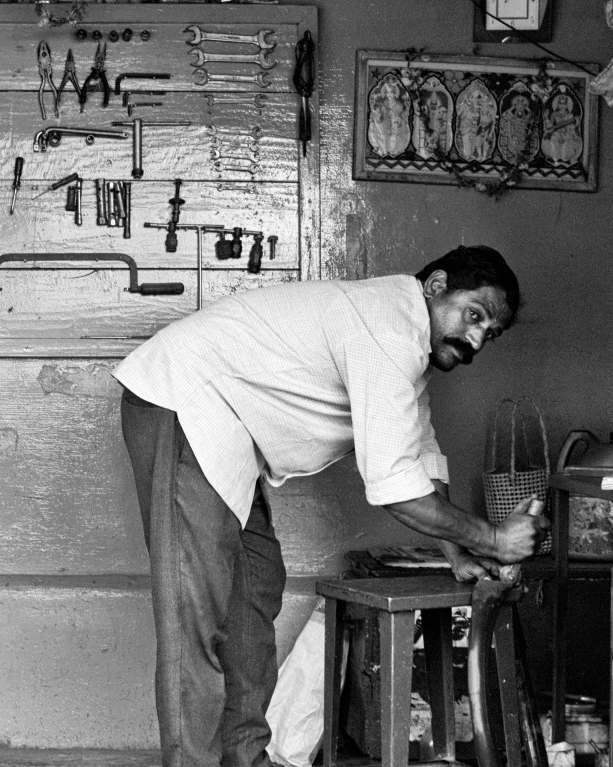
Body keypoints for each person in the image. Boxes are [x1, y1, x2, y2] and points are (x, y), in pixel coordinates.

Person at [113, 245, 550, 767]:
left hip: (226, 430)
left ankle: (245, 758)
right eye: (473, 315)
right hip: (182, 401)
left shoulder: (405, 341)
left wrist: (457, 551)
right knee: (197, 616)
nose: (476, 338)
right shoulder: (389, 327)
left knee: (254, 587)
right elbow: (393, 485)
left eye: (490, 332)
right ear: (435, 287)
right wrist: (494, 539)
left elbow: (420, 456)